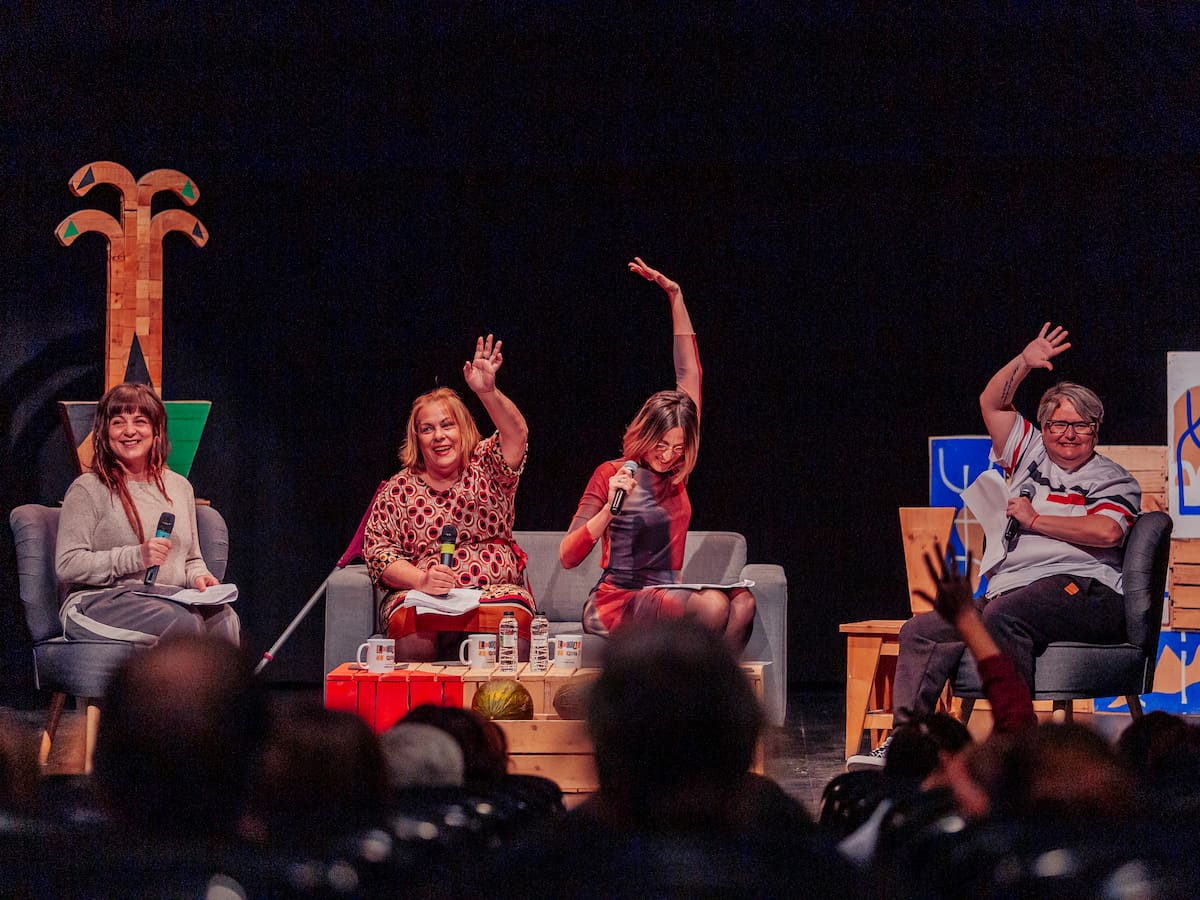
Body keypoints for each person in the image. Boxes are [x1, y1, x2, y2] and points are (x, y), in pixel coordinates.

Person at [849, 323, 1141, 769]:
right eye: (1058, 423)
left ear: (1096, 429)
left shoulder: (1111, 477)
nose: (1069, 433)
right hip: (1012, 588)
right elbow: (992, 402)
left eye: (1081, 424)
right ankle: (908, 745)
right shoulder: (1028, 454)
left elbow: (1108, 532)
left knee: (1005, 613)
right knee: (922, 630)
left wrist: (1036, 519)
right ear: (1043, 427)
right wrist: (1024, 361)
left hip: (1084, 590)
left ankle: (1015, 750)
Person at [559, 257, 756, 651]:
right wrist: (609, 510)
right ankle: (696, 688)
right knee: (713, 605)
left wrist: (676, 297)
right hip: (618, 599)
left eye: (678, 448)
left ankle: (708, 688)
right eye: (661, 445)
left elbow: (690, 374)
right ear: (645, 434)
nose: (668, 456)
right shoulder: (612, 472)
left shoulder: (677, 473)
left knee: (744, 602)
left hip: (666, 592)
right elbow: (567, 556)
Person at [364, 334, 532, 660]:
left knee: (509, 621)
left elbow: (517, 434)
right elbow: (379, 553)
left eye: (447, 425)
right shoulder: (399, 488)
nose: (439, 436)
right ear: (417, 438)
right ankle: (419, 695)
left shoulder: (487, 464)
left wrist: (487, 392)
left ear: (463, 429)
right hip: (424, 595)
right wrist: (421, 580)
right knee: (410, 623)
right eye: (427, 429)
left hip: (493, 591)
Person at [55, 382, 239, 644]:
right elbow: (68, 565)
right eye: (118, 422)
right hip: (98, 601)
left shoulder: (179, 487)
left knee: (224, 619)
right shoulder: (88, 488)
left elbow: (191, 559)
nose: (129, 431)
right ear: (105, 433)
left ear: (156, 431)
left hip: (166, 598)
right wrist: (136, 556)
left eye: (140, 421)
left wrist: (199, 576)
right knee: (183, 624)